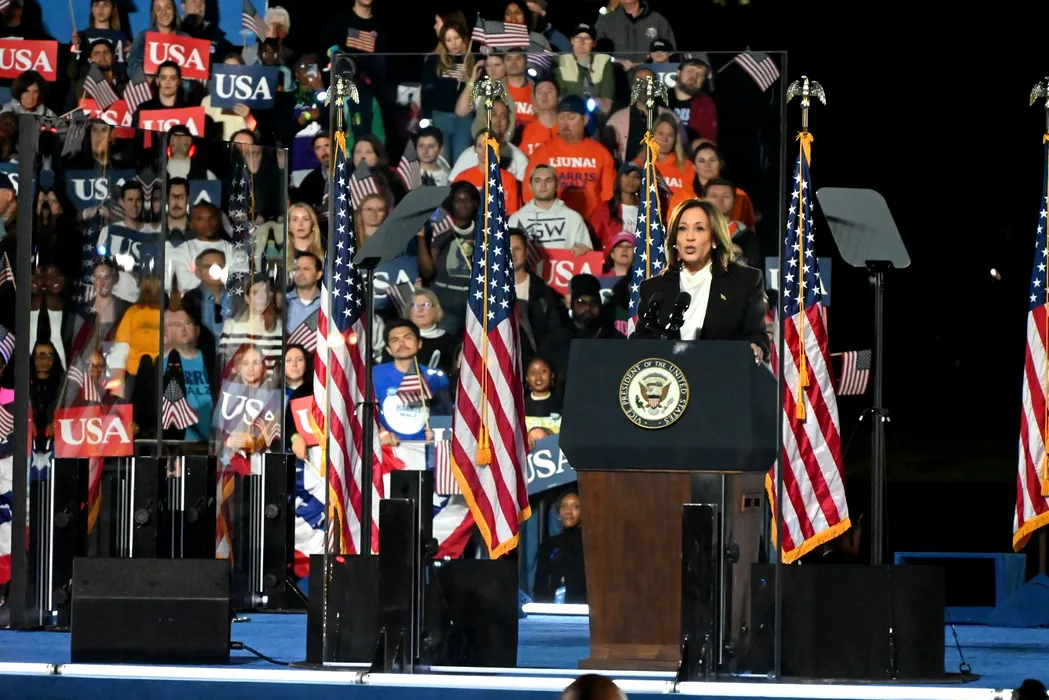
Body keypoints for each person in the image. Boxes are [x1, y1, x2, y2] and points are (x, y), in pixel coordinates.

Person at [636, 200, 768, 363]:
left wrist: (755, 347)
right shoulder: (653, 288)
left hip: (721, 372)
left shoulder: (745, 281)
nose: (689, 237)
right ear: (675, 239)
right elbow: (640, 342)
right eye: (682, 229)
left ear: (714, 239)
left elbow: (756, 335)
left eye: (699, 229)